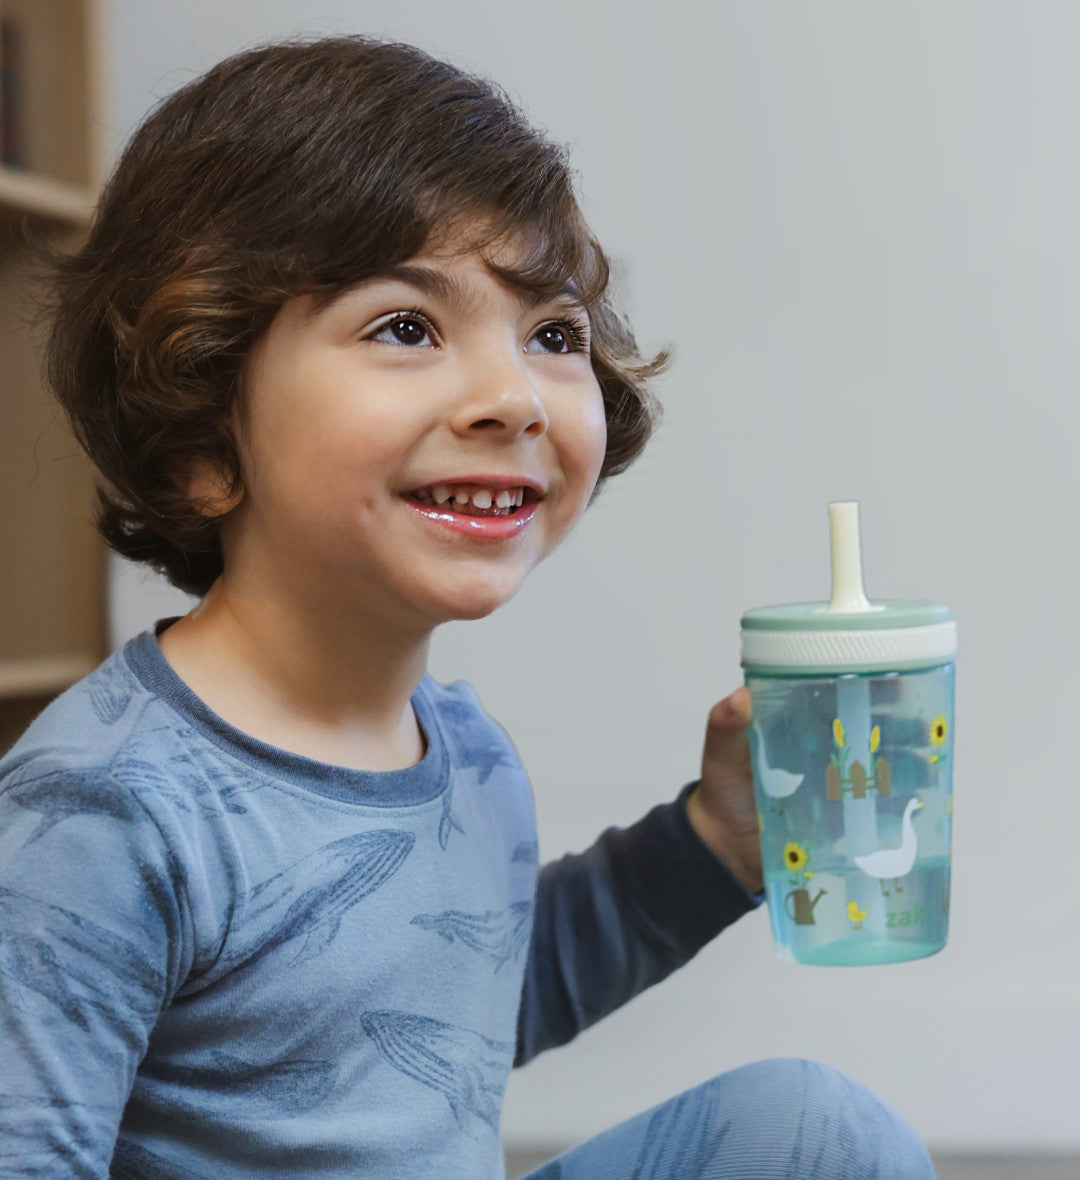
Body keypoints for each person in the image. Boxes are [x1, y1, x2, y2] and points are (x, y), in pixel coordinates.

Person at [0, 35, 935, 1179]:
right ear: (205, 435)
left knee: (809, 1126)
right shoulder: (102, 811)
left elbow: (461, 1021)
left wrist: (717, 843)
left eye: (552, 335)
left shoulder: (469, 754)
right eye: (406, 326)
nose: (511, 396)